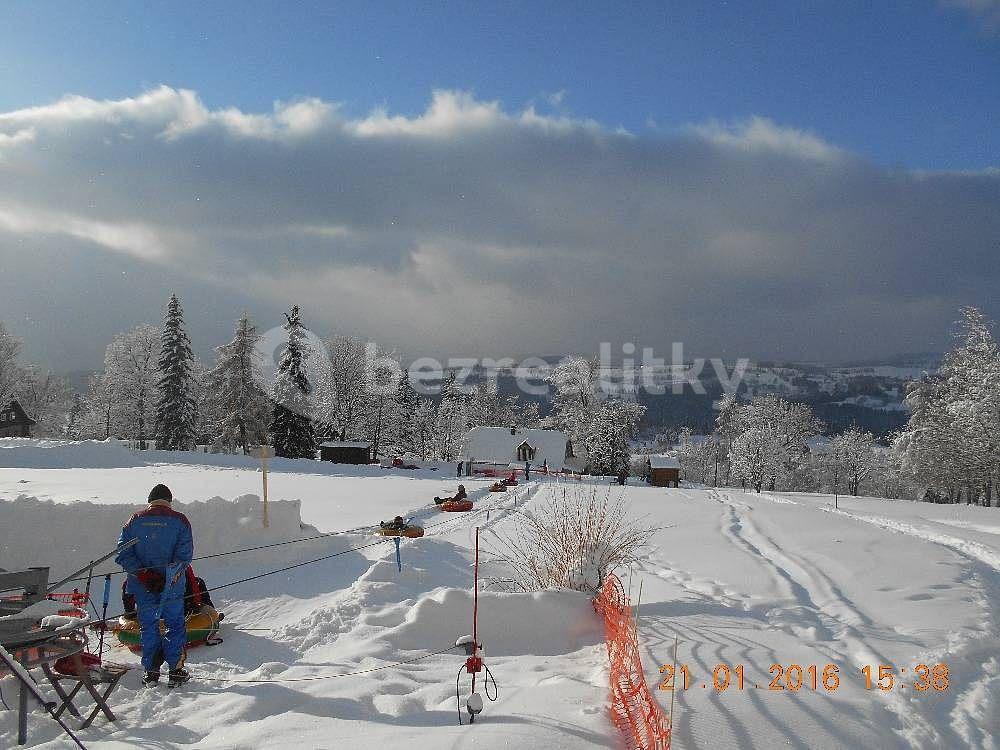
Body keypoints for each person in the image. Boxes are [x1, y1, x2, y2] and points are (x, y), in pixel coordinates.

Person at [115, 484, 193, 688]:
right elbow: (184, 556)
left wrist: (144, 574)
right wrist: (168, 576)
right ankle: (176, 670)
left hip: (143, 586)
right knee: (175, 624)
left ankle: (151, 672)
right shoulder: (180, 521)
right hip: (172, 586)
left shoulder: (134, 521)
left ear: (150, 500)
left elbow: (123, 553)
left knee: (148, 626)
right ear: (169, 501)